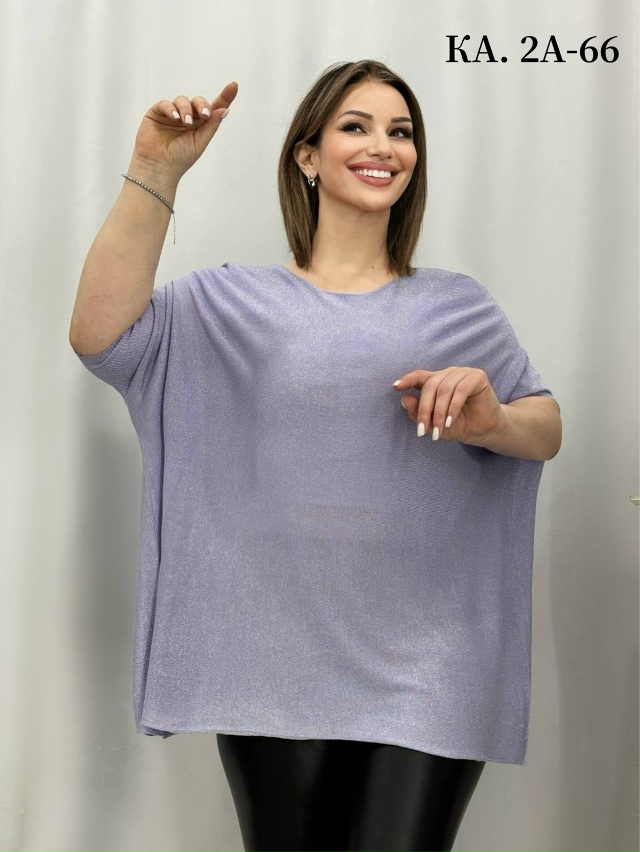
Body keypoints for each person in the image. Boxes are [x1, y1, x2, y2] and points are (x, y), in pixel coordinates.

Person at [69, 60, 562, 851]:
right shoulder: (229, 303)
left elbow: (545, 426)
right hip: (272, 656)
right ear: (307, 156)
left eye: (401, 131)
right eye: (356, 126)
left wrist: (493, 419)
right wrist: (156, 168)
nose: (384, 146)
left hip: (431, 656)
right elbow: (102, 338)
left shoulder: (457, 305)